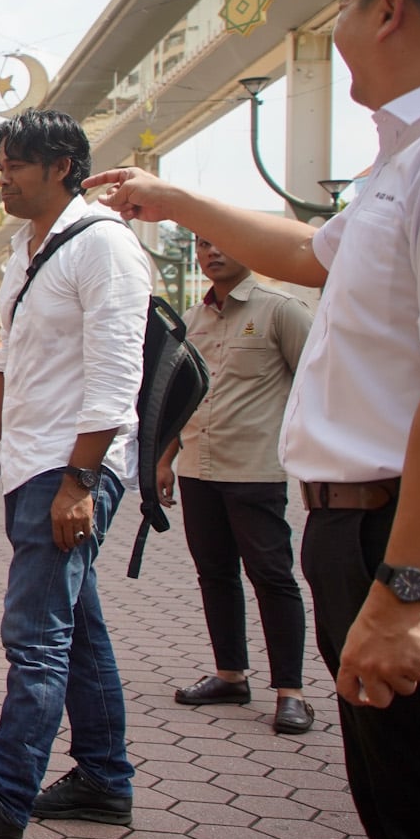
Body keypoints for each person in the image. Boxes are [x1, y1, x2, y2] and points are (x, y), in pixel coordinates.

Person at [86, 0, 420, 839]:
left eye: (344, 4)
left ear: (386, 10)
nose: (337, 26)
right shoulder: (413, 156)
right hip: (363, 530)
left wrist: (404, 593)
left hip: (413, 544)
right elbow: (307, 250)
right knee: (412, 834)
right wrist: (170, 199)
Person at [0, 108, 152, 839]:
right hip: (34, 463)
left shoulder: (105, 247)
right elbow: (9, 374)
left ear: (62, 167)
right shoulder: (26, 251)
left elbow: (119, 377)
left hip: (71, 465)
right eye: (0, 162)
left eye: (16, 163)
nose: (4, 177)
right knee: (76, 629)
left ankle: (2, 800)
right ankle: (104, 778)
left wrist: (80, 480)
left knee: (36, 638)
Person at [159, 235, 316, 734]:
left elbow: (317, 385)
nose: (213, 252)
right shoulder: (193, 319)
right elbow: (180, 398)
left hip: (256, 469)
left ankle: (291, 692)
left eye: (224, 241)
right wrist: (164, 459)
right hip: (199, 470)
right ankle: (231, 675)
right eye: (204, 244)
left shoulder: (281, 311)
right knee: (215, 573)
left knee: (271, 574)